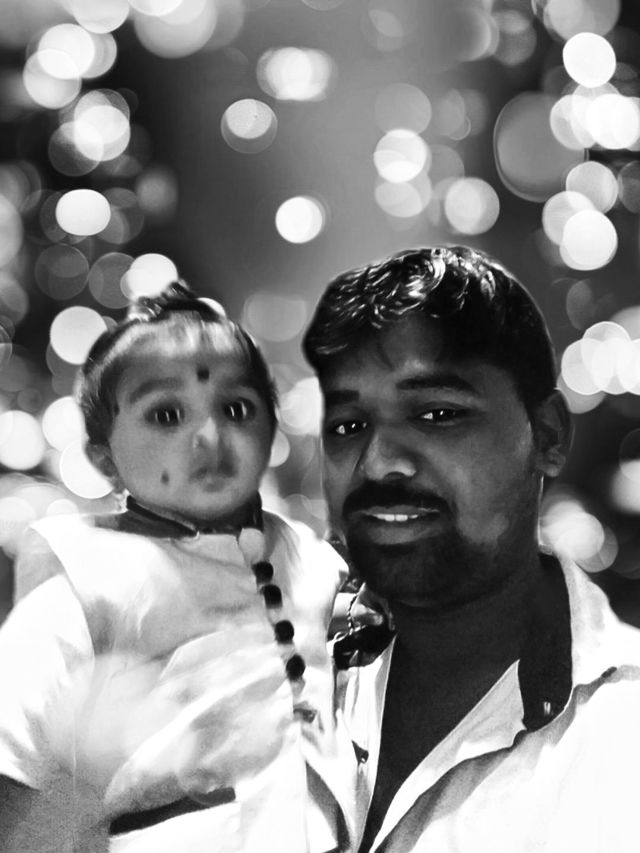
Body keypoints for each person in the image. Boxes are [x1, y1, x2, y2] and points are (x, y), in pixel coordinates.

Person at [303, 245, 640, 853]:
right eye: (349, 425)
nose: (378, 463)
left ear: (548, 436)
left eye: (437, 413)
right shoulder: (276, 684)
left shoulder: (622, 740)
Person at [0, 283, 355, 852]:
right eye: (166, 415)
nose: (209, 437)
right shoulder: (84, 581)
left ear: (272, 425)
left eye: (237, 409)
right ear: (103, 458)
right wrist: (77, 790)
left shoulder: (310, 558)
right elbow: (13, 781)